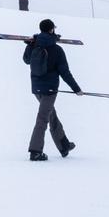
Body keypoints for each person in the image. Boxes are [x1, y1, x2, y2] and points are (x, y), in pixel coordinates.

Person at [23, 19, 81, 161]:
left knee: (51, 115)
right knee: (43, 118)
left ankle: (64, 145)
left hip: (36, 88)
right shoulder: (57, 50)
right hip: (49, 90)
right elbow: (65, 72)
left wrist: (29, 46)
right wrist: (76, 89)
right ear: (51, 30)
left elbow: (26, 60)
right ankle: (35, 151)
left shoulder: (34, 45)